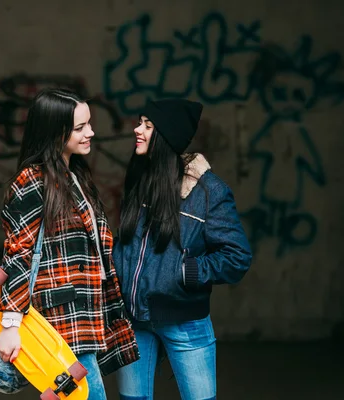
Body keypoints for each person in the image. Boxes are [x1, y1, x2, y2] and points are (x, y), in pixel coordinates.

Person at [0, 88, 139, 400]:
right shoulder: (33, 181)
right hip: (61, 316)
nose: (91, 133)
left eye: (89, 124)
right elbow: (19, 253)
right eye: (80, 128)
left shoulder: (74, 175)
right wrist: (10, 323)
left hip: (85, 312)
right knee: (89, 395)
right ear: (55, 132)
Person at [113, 99, 252, 400]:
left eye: (148, 126)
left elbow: (237, 256)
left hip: (185, 323)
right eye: (140, 122)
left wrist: (185, 271)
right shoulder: (140, 178)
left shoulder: (208, 191)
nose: (137, 130)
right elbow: (127, 245)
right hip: (134, 321)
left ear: (166, 137)